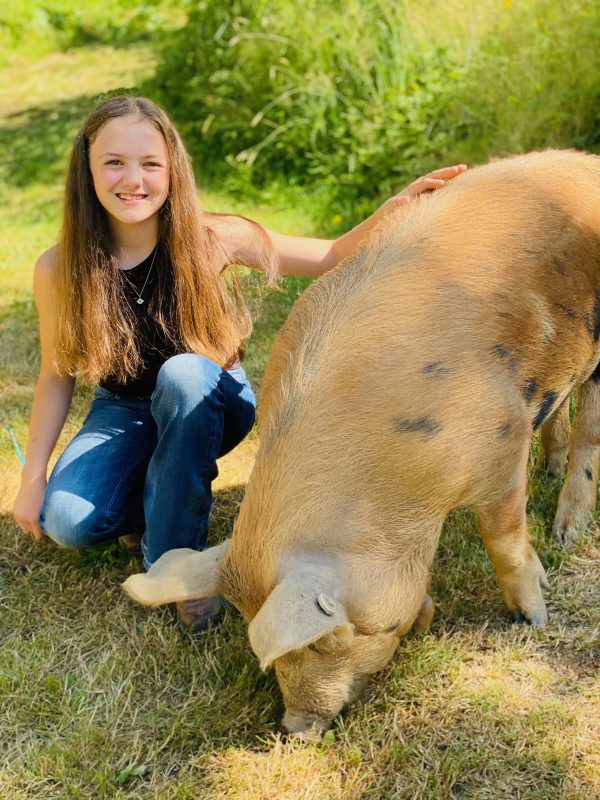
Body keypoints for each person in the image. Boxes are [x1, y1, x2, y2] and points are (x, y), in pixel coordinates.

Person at [12, 95, 466, 630]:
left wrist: (395, 206)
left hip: (209, 395)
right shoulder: (60, 268)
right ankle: (160, 492)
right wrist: (32, 476)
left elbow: (331, 255)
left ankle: (175, 563)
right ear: (86, 171)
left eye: (149, 164)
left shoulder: (212, 237)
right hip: (125, 409)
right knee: (68, 523)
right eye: (114, 162)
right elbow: (53, 376)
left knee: (183, 374)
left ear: (172, 170)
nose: (132, 179)